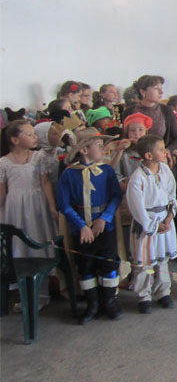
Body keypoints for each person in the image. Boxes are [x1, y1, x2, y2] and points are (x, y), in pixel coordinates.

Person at [57, 128, 123, 323]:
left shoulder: (107, 171)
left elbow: (116, 196)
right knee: (85, 264)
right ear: (84, 150)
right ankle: (92, 303)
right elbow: (64, 204)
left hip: (105, 226)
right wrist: (81, 226)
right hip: (82, 229)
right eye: (99, 146)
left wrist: (105, 218)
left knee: (109, 261)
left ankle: (109, 301)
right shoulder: (69, 174)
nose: (104, 150)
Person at [0, 120, 60, 308]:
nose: (34, 137)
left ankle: (41, 294)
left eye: (34, 134)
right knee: (18, 246)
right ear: (14, 140)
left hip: (37, 207)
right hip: (14, 210)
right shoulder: (3, 163)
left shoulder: (38, 157)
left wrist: (52, 206)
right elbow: (2, 191)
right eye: (29, 134)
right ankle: (23, 293)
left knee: (38, 241)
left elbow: (45, 183)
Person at [126, 135, 177, 313]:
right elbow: (137, 207)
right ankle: (144, 295)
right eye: (161, 150)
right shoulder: (138, 178)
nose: (165, 152)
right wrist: (152, 226)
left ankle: (163, 292)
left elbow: (172, 194)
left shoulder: (165, 170)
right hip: (147, 223)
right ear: (149, 155)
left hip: (164, 218)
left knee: (162, 260)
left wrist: (170, 216)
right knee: (145, 262)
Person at [122, 75, 177, 163]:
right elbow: (124, 136)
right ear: (143, 92)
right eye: (156, 89)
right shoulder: (129, 111)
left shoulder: (166, 110)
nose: (161, 92)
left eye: (161, 88)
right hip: (134, 158)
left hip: (160, 157)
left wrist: (167, 150)